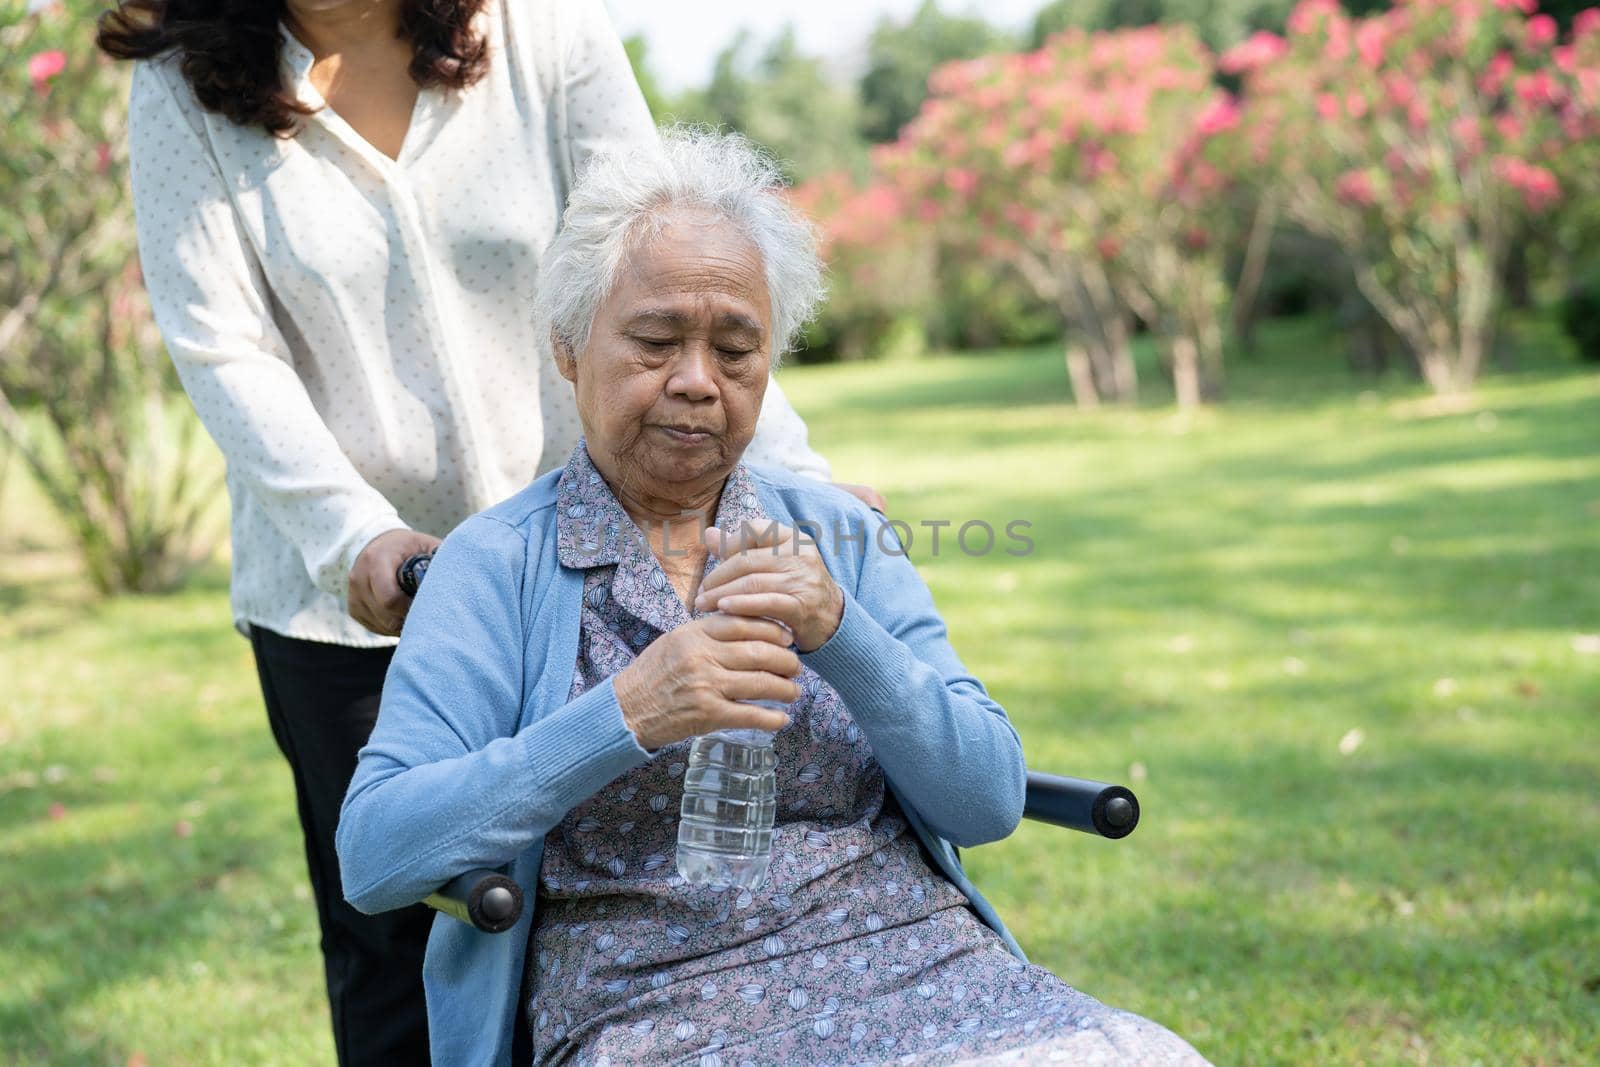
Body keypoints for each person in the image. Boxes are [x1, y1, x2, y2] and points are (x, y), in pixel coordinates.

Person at [336, 128, 1210, 1067]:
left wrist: (841, 629)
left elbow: (988, 798)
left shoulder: (835, 535)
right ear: (568, 347)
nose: (697, 381)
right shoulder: (495, 565)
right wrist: (625, 712)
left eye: (737, 348)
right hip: (654, 1009)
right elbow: (378, 853)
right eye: (656, 340)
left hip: (918, 967)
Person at [100, 2, 873, 1062]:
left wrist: (804, 490)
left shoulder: (540, 30)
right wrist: (353, 539)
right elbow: (222, 344)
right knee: (394, 935)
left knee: (599, 903)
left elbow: (675, 259)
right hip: (359, 600)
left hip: (582, 560)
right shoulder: (184, 84)